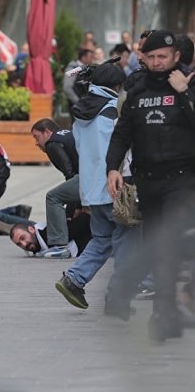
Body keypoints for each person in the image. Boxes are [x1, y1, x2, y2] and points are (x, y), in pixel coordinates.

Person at [106, 29, 195, 342]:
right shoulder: (138, 88)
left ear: (176, 57)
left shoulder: (188, 83)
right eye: (152, 57)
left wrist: (184, 94)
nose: (157, 63)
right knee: (161, 247)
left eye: (163, 57)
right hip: (148, 181)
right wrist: (112, 168)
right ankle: (165, 312)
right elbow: (122, 133)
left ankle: (156, 307)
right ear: (143, 57)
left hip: (183, 181)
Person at [55, 62, 146, 324]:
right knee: (127, 242)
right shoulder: (112, 111)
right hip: (115, 186)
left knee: (102, 238)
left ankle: (73, 280)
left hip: (92, 190)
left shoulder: (81, 113)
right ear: (116, 86)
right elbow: (120, 151)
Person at [30, 119, 81, 248]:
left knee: (53, 197)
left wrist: (70, 211)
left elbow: (70, 175)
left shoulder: (52, 144)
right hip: (97, 173)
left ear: (47, 132)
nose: (36, 143)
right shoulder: (67, 134)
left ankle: (58, 245)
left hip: (88, 178)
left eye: (37, 137)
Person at [8, 214, 91, 258]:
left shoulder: (50, 233)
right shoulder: (39, 247)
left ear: (31, 229)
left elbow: (85, 221)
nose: (24, 244)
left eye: (23, 238)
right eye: (19, 244)